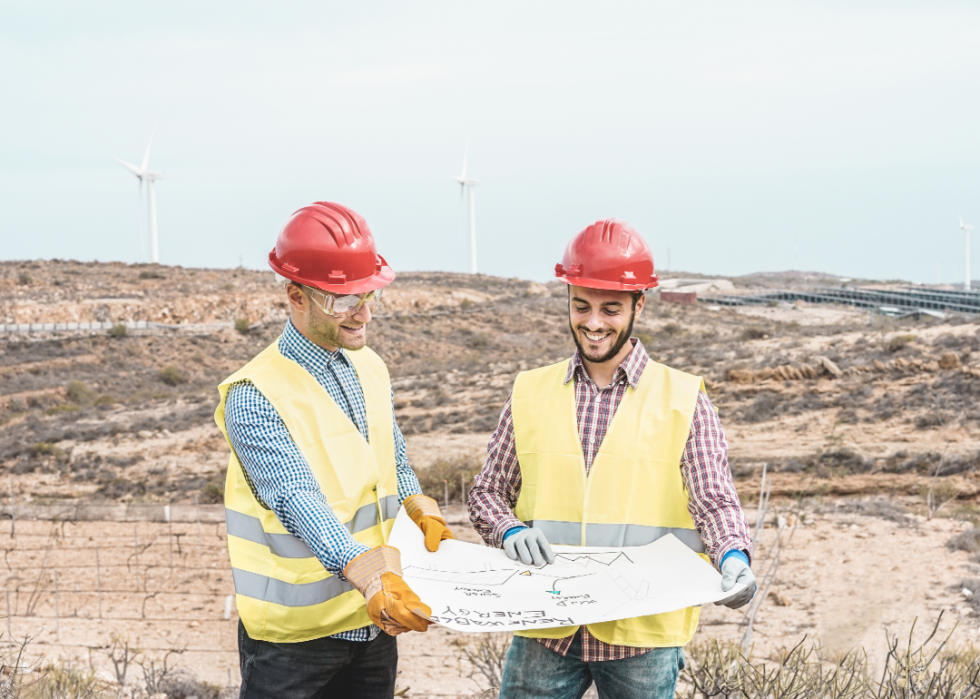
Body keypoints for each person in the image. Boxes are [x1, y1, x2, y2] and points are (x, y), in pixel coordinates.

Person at [467, 218, 757, 699]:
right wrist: (508, 530)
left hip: (641, 636)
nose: (594, 322)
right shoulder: (530, 391)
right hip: (547, 625)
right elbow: (487, 494)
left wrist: (733, 555)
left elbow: (714, 499)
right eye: (581, 306)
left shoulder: (683, 398)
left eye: (611, 308)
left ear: (638, 305)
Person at [214, 202, 455, 699]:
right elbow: (297, 499)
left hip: (373, 626)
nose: (363, 313)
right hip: (295, 643)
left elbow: (393, 459)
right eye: (343, 300)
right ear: (294, 295)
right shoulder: (254, 394)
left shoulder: (370, 367)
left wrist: (418, 506)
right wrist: (370, 576)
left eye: (368, 295)